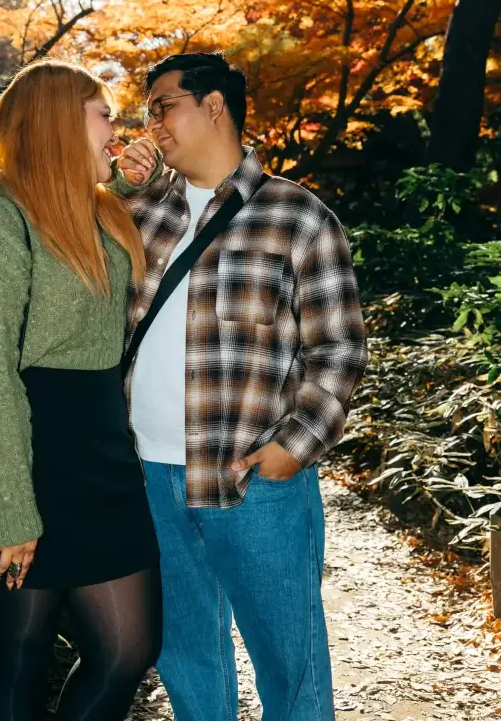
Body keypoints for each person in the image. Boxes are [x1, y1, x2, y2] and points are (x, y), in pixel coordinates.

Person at [116, 52, 369, 721]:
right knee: (184, 654)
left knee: (289, 664)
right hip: (148, 480)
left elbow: (339, 347)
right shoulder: (139, 213)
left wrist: (294, 447)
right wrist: (116, 182)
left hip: (252, 481)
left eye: (163, 106)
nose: (152, 124)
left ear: (213, 106)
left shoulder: (297, 216)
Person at [0, 58, 163, 721]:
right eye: (103, 116)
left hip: (95, 449)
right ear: (61, 123)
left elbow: (80, 266)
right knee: (20, 650)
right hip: (15, 451)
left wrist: (125, 180)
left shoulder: (86, 210)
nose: (115, 130)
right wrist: (12, 509)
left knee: (128, 647)